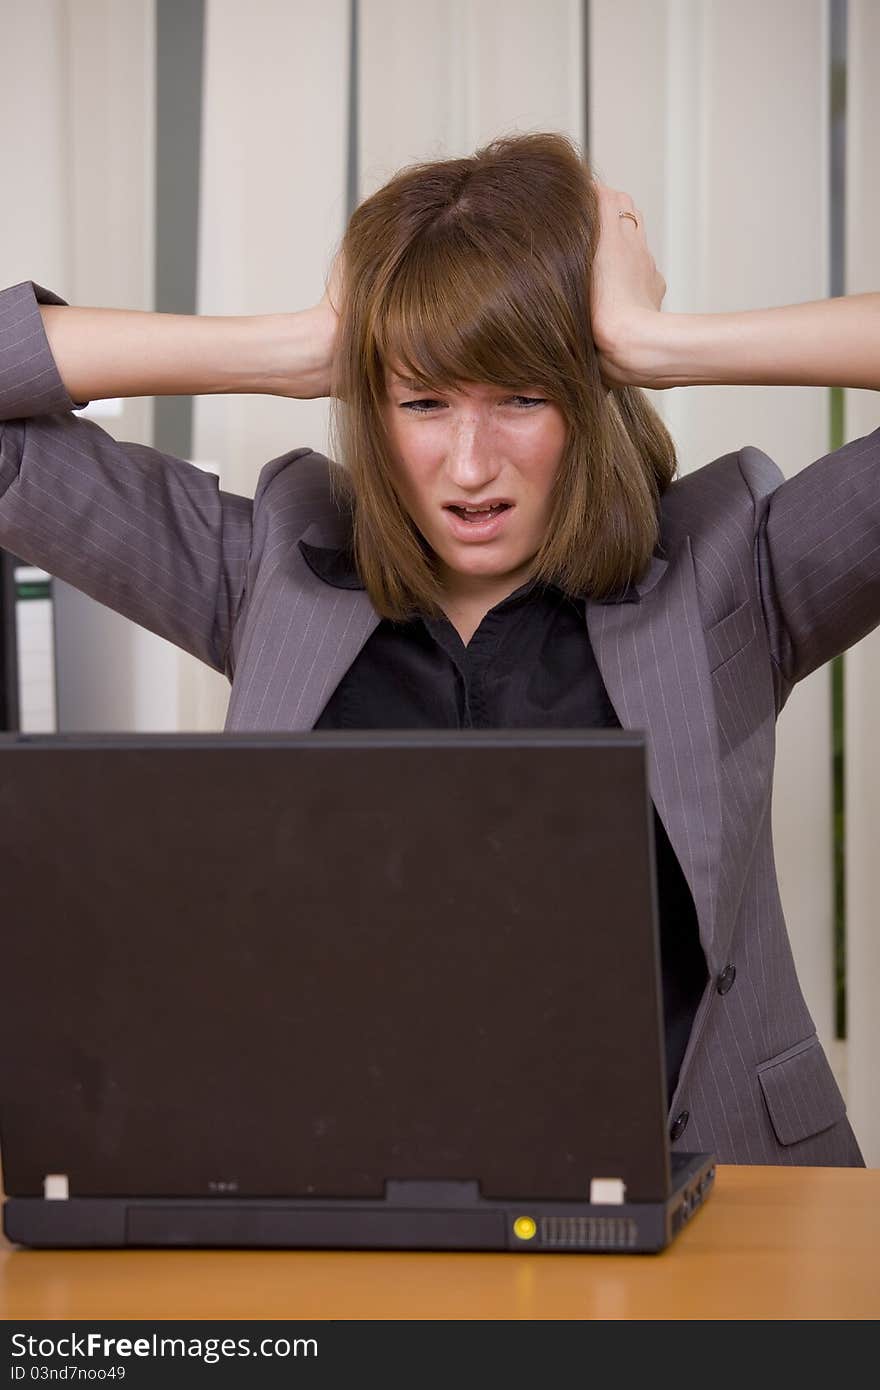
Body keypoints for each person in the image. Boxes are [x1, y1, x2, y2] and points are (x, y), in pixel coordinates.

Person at [1, 131, 877, 1166]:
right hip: (359, 1195)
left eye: (521, 396)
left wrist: (654, 340)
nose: (469, 465)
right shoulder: (267, 573)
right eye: (421, 401)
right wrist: (298, 345)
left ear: (590, 395)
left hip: (716, 1193)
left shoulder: (734, 572)